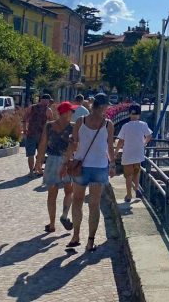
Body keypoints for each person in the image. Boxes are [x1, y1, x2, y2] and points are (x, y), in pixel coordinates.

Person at [61, 92, 115, 252]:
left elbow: (73, 144)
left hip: (81, 166)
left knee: (77, 201)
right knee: (94, 204)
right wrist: (112, 165)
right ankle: (90, 241)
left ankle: (75, 236)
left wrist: (65, 162)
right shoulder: (108, 124)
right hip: (99, 166)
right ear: (104, 106)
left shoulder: (80, 121)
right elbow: (110, 147)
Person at [35, 101, 76, 233]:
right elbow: (76, 146)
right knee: (69, 191)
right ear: (66, 112)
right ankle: (64, 215)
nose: (73, 113)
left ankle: (52, 224)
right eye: (71, 111)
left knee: (52, 194)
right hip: (67, 161)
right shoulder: (73, 127)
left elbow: (42, 144)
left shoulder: (49, 126)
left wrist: (38, 162)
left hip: (52, 160)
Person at [115, 103, 152, 202]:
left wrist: (116, 151)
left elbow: (121, 141)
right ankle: (136, 188)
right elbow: (149, 136)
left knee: (128, 175)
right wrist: (143, 143)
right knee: (136, 172)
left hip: (128, 153)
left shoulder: (125, 126)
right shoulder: (143, 124)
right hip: (139, 153)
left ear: (129, 114)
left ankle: (129, 195)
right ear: (139, 114)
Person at [23, 94, 53, 176]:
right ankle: (37, 169)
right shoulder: (48, 110)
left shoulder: (31, 107)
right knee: (41, 153)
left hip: (31, 133)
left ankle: (32, 171)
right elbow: (51, 123)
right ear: (47, 100)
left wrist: (24, 129)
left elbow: (24, 118)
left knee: (31, 154)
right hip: (42, 135)